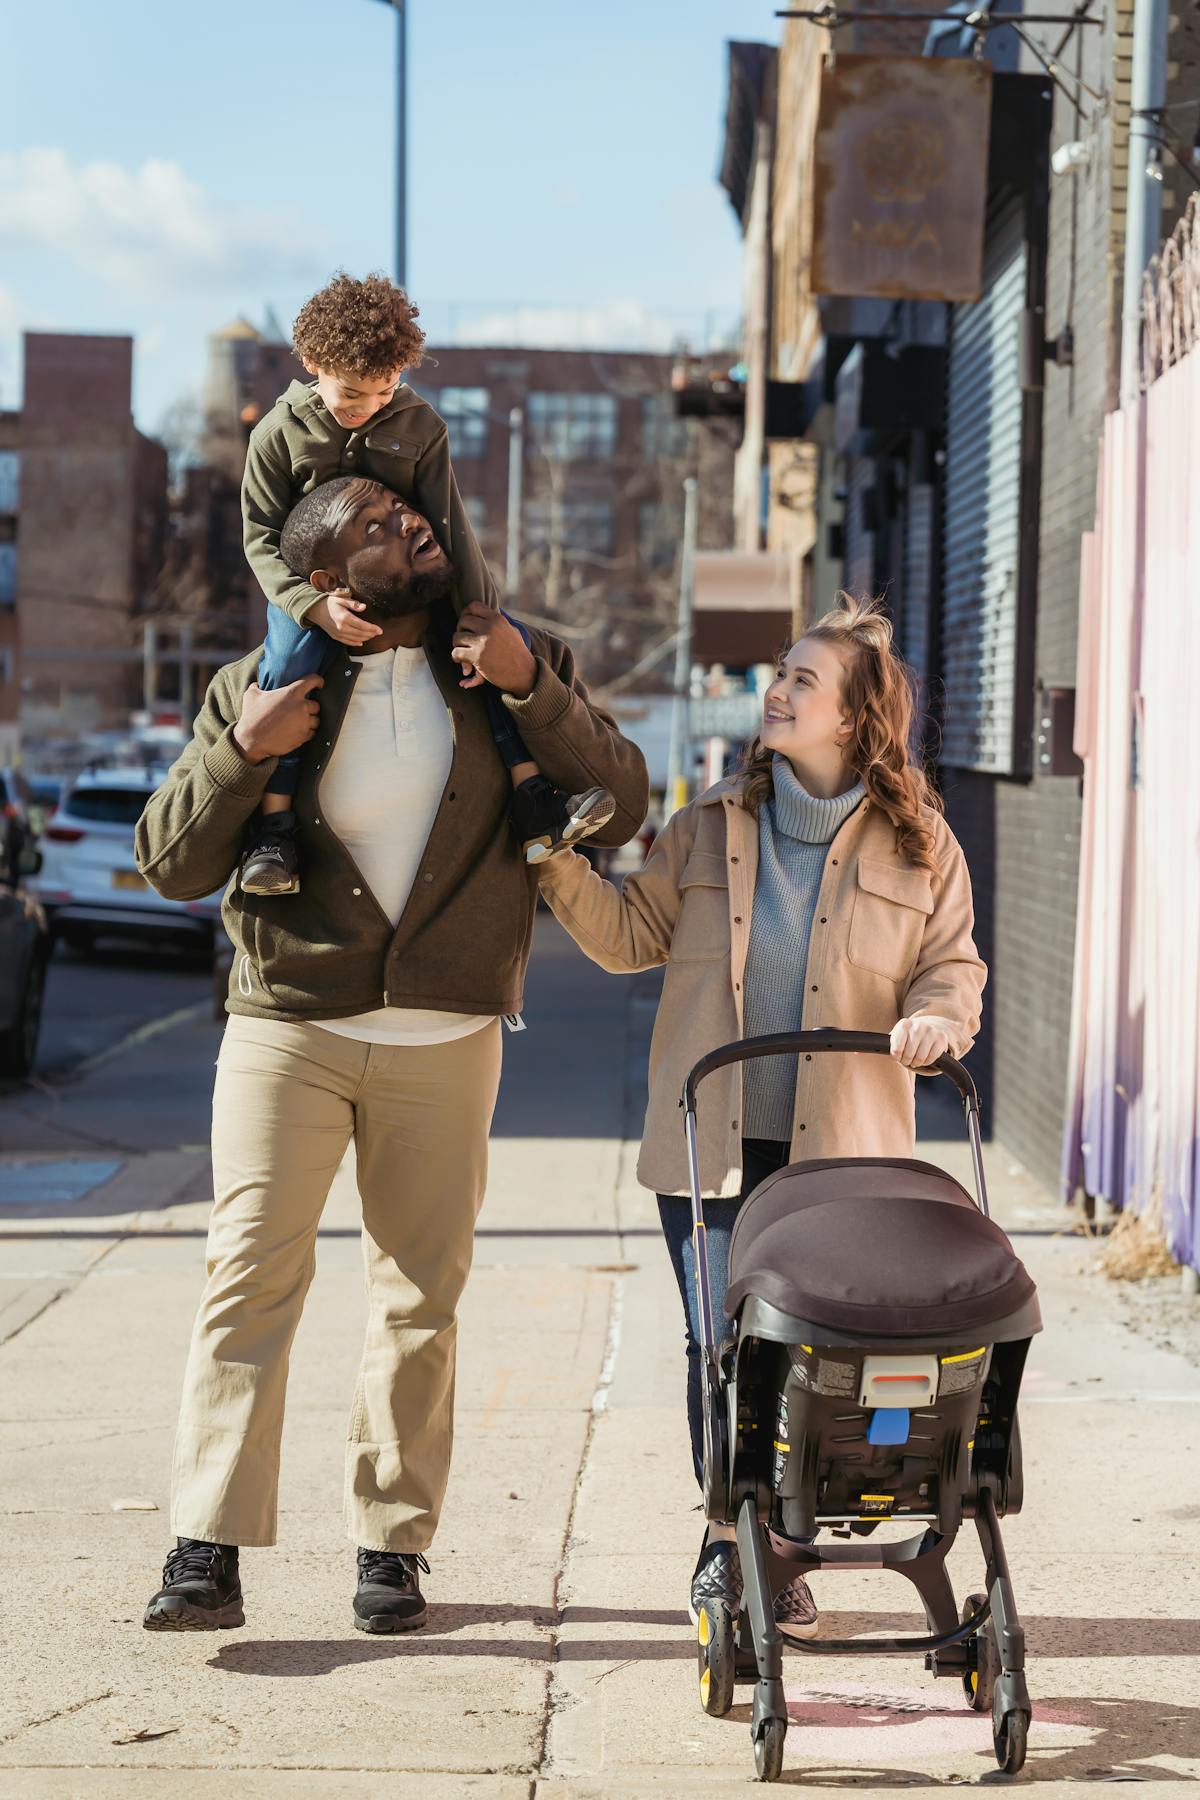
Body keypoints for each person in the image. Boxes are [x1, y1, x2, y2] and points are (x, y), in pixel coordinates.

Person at [134, 475, 648, 1634]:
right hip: (289, 1026)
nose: (407, 525)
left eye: (409, 515)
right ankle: (205, 1545)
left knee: (421, 1297)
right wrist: (243, 752)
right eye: (373, 524)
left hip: (448, 1035)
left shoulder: (516, 662)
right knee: (247, 1284)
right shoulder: (257, 684)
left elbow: (620, 802)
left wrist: (532, 685)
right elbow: (166, 862)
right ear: (325, 579)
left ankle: (389, 1547)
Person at [535, 596, 986, 1638]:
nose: (774, 692)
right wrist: (550, 861)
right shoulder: (706, 829)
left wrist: (932, 1022)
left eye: (800, 681)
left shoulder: (923, 848)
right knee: (724, 1354)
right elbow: (623, 936)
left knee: (819, 1361)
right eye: (779, 673)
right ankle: (731, 1550)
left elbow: (951, 970)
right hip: (717, 1154)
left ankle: (780, 1542)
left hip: (846, 1165)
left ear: (854, 720)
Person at [239, 270, 613, 896]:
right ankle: (273, 833)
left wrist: (480, 614)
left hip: (413, 587)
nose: (371, 406)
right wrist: (312, 607)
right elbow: (258, 539)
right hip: (312, 595)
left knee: (490, 655)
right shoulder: (276, 436)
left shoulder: (420, 426)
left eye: (386, 391)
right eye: (353, 395)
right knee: (285, 669)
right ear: (312, 363)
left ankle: (535, 800)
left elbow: (450, 525)